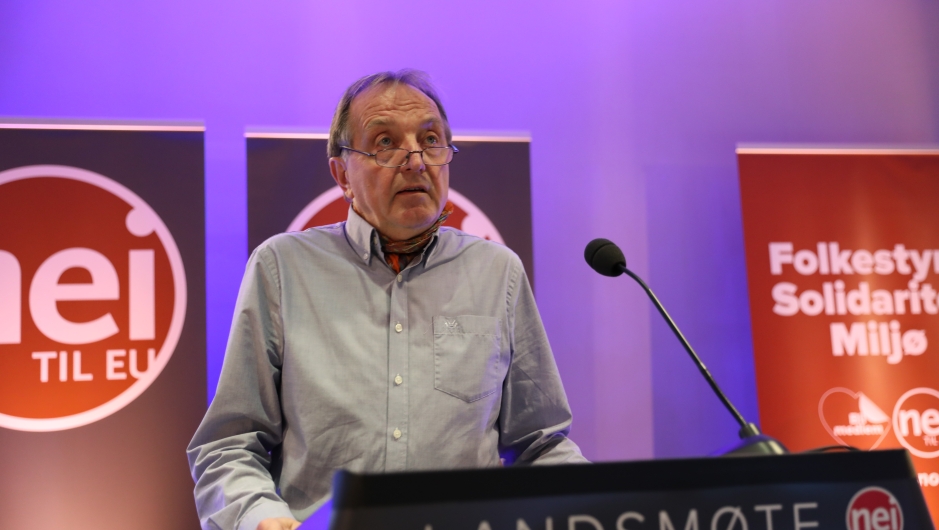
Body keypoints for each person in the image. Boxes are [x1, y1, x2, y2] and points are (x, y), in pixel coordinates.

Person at [187, 69, 586, 530]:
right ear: (342, 174)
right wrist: (262, 517)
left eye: (431, 140)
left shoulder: (497, 272)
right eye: (385, 142)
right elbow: (229, 444)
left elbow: (540, 444)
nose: (415, 161)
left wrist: (601, 506)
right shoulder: (282, 268)